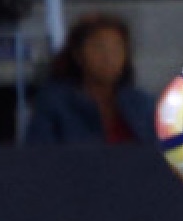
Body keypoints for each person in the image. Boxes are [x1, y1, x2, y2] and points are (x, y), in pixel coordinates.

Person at [23, 14, 157, 148]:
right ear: (78, 55)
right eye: (99, 48)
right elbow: (38, 158)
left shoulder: (143, 105)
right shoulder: (54, 104)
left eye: (117, 49)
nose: (108, 57)